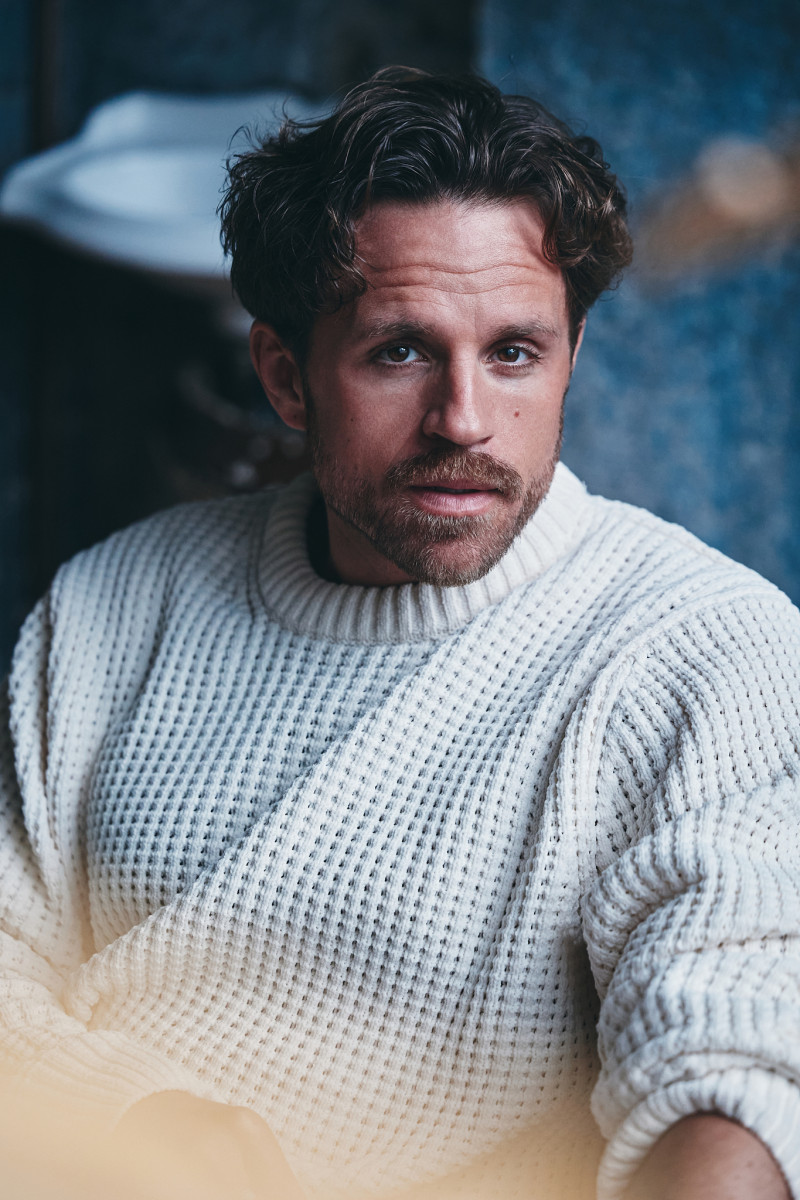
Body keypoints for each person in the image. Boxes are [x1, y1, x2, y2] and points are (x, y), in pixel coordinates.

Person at [1, 67, 798, 1200]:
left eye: (514, 353)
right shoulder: (107, 607)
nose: (463, 421)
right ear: (285, 377)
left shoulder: (705, 648)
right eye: (400, 352)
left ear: (570, 356)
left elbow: (736, 1053)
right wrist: (127, 1118)